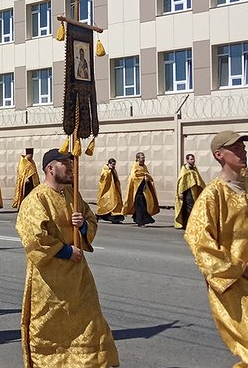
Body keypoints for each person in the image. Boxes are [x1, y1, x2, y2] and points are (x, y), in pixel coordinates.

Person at [184, 130, 248, 368]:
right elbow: (198, 241)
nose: (243, 151)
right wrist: (240, 269)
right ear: (220, 155)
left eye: (243, 147)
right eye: (236, 148)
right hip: (233, 282)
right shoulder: (212, 195)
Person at [16, 148, 120, 367]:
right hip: (50, 283)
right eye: (66, 164)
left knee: (90, 325)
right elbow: (34, 238)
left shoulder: (74, 195)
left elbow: (92, 221)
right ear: (50, 168)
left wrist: (82, 226)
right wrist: (66, 251)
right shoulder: (36, 199)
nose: (71, 168)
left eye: (72, 163)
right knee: (52, 332)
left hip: (80, 279)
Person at [124, 152, 159, 226]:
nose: (143, 159)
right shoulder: (135, 167)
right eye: (142, 158)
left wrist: (147, 177)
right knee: (140, 205)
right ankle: (141, 221)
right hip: (137, 190)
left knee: (144, 203)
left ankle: (136, 217)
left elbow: (147, 174)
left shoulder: (144, 166)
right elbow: (134, 177)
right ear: (137, 159)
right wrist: (143, 178)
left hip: (144, 189)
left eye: (144, 158)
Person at [175, 153, 206, 230]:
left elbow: (198, 179)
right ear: (187, 160)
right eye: (191, 159)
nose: (193, 161)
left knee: (192, 207)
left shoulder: (194, 168)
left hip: (194, 191)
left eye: (193, 159)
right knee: (189, 207)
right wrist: (180, 192)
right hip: (187, 191)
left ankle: (188, 223)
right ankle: (189, 224)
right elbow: (181, 181)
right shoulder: (184, 169)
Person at [96, 158, 125, 224]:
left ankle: (115, 218)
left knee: (116, 203)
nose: (113, 166)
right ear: (109, 164)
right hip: (107, 190)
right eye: (112, 165)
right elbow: (103, 179)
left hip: (114, 189)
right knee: (107, 203)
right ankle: (99, 215)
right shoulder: (105, 170)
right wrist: (109, 171)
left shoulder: (113, 170)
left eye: (114, 165)